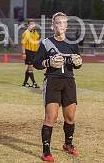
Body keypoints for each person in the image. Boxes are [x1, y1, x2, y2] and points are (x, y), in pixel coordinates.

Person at [33, 12, 83, 162]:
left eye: (63, 23)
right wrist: (48, 63)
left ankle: (68, 144)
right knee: (51, 117)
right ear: (52, 25)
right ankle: (46, 151)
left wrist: (78, 63)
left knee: (70, 116)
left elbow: (78, 63)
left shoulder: (73, 43)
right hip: (53, 81)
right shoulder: (46, 43)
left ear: (67, 26)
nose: (61, 25)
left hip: (69, 81)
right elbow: (36, 63)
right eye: (58, 23)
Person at [21, 19, 40, 88]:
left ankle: (24, 83)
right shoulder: (26, 33)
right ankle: (34, 83)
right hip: (29, 51)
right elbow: (23, 43)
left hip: (34, 52)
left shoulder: (35, 32)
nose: (33, 25)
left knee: (29, 68)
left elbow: (37, 41)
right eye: (31, 24)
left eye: (33, 24)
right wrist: (23, 53)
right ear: (28, 25)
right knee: (30, 67)